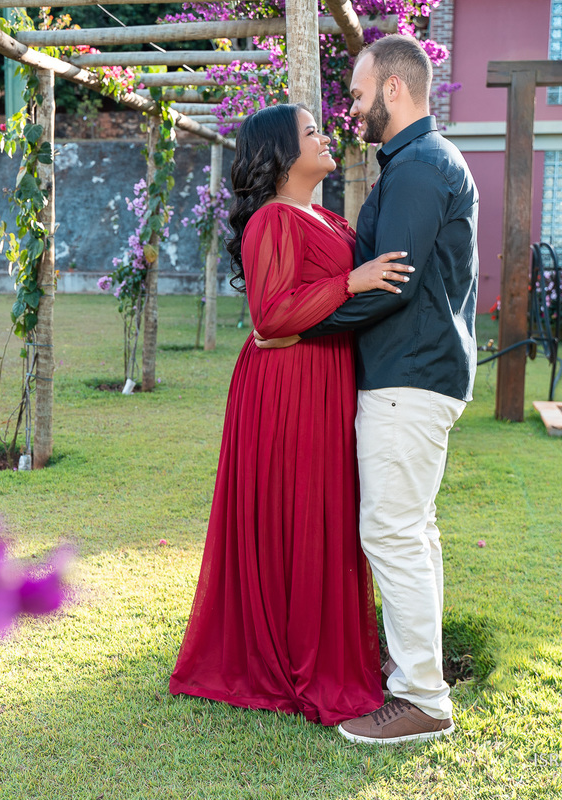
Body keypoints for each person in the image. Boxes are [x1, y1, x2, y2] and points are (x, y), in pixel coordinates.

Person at [257, 34, 479, 744]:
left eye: (355, 95)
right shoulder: (416, 164)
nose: (350, 110)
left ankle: (420, 698)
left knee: (391, 532)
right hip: (417, 376)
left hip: (407, 378)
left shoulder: (418, 170)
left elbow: (390, 285)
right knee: (412, 532)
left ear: (393, 90)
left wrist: (300, 330)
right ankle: (419, 674)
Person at [168, 102, 414, 725]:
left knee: (326, 514)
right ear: (280, 155)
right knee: (300, 515)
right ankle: (290, 655)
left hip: (323, 377)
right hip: (287, 390)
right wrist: (351, 284)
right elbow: (271, 318)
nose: (325, 136)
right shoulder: (272, 221)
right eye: (311, 132)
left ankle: (330, 645)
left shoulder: (325, 216)